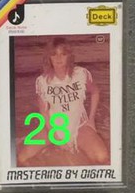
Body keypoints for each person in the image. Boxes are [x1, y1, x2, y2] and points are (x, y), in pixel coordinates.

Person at [20, 37, 110, 165]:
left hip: (79, 126)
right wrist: (54, 136)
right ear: (49, 58)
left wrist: (91, 120)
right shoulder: (42, 81)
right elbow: (44, 112)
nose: (58, 58)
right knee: (22, 158)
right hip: (53, 126)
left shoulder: (81, 74)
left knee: (102, 158)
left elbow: (95, 91)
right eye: (54, 54)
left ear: (69, 56)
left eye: (63, 54)